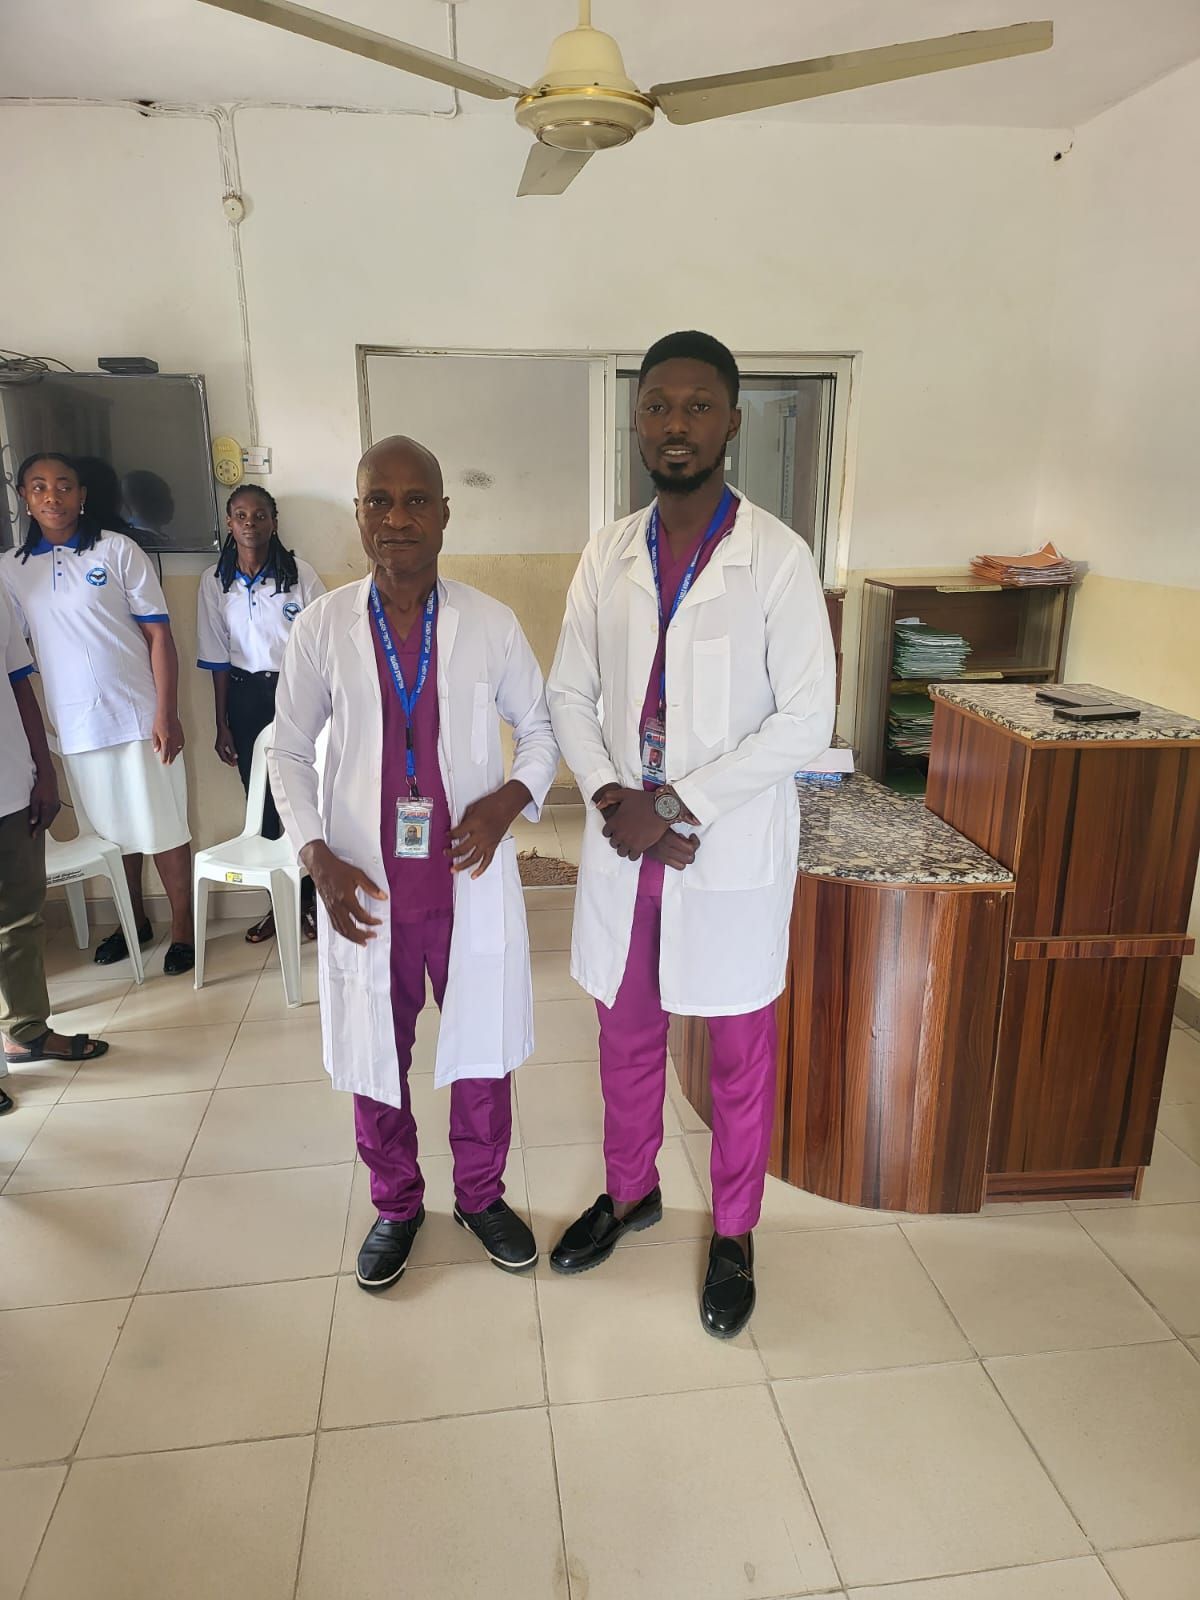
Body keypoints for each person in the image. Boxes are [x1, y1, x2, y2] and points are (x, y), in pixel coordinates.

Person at [547, 331, 836, 1338]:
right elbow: (569, 692)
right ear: (637, 421)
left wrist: (674, 805)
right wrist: (615, 798)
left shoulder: (778, 558)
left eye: (698, 406)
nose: (676, 424)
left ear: (733, 422)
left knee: (738, 1057)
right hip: (629, 848)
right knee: (625, 1038)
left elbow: (806, 719)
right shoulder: (607, 553)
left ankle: (736, 1233)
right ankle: (631, 1192)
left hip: (721, 847)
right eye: (658, 405)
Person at [268, 436, 558, 1291]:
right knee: (374, 1056)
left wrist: (509, 801)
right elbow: (289, 750)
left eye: (415, 500)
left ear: (443, 513)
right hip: (365, 887)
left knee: (482, 1052)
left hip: (465, 881)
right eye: (379, 500)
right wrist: (315, 854)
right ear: (359, 514)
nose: (397, 518)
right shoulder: (321, 626)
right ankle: (396, 1204)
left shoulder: (489, 623)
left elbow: (540, 730)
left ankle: (480, 1196)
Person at [2, 453, 195, 976]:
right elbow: (14, 655)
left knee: (163, 825)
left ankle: (182, 930)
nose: (53, 496)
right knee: (109, 834)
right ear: (24, 499)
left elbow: (159, 635)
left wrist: (167, 712)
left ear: (82, 494)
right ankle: (134, 922)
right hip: (76, 727)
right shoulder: (12, 569)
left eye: (64, 485)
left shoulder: (116, 550)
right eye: (39, 487)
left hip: (138, 717)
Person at [197, 485, 325, 943]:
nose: (250, 523)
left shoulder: (300, 575)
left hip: (295, 694)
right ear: (229, 524)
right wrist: (222, 723)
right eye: (240, 515)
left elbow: (323, 645)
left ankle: (311, 901)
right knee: (264, 803)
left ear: (274, 521)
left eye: (259, 515)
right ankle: (281, 905)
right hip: (245, 697)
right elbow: (216, 656)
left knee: (303, 798)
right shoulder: (215, 582)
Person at [1, 581, 108, 1113]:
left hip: (8, 785)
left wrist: (44, 771)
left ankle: (26, 1032)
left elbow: (19, 682)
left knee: (20, 918)